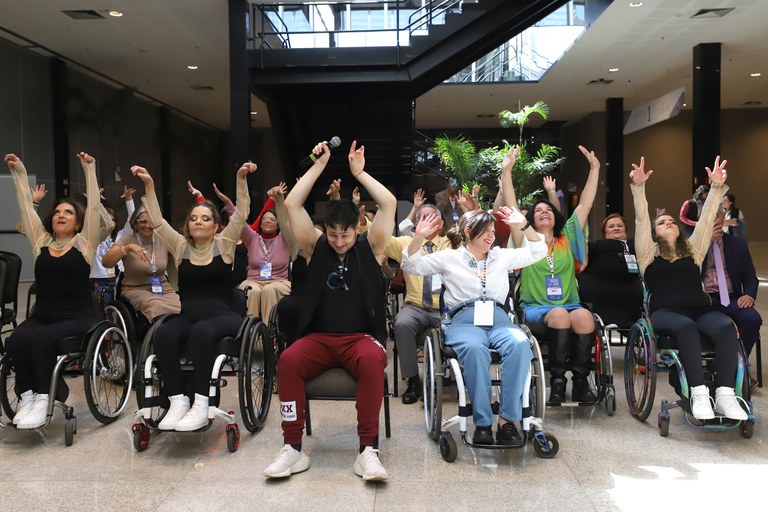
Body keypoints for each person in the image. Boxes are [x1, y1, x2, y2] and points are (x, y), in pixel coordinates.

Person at [264, 140, 396, 482]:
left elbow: (389, 202)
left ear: (357, 229)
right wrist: (319, 165)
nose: (339, 241)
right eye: (334, 234)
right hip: (320, 338)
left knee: (371, 361)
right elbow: (292, 202)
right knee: (288, 360)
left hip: (360, 338)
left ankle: (367, 449)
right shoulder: (314, 245)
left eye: (346, 235)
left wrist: (360, 173)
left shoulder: (373, 245)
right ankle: (292, 447)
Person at [402, 190, 547, 447]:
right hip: (464, 320)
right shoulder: (450, 258)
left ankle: (507, 421)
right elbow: (411, 266)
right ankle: (481, 423)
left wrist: (524, 226)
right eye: (486, 231)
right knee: (474, 348)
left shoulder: (501, 257)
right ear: (468, 232)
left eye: (493, 230)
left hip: (499, 317)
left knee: (519, 343)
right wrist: (419, 237)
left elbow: (538, 251)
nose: (492, 236)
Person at [130, 161, 257, 431]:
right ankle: (177, 401)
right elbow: (156, 221)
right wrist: (150, 185)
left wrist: (240, 178)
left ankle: (201, 402)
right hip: (189, 315)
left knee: (201, 331)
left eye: (206, 218)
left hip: (224, 316)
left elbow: (242, 213)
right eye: (194, 218)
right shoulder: (180, 246)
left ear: (215, 227)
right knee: (163, 332)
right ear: (188, 225)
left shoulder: (224, 245)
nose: (198, 221)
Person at [630, 156, 747, 421]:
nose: (668, 223)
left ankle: (726, 395)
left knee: (726, 326)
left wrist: (716, 189)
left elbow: (706, 220)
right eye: (662, 222)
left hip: (699, 310)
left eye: (671, 220)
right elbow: (640, 220)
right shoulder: (648, 253)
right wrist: (638, 189)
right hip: (666, 313)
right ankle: (698, 392)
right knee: (687, 327)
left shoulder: (693, 250)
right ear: (655, 232)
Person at [5, 152, 113, 429]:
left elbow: (91, 212)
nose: (61, 215)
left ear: (77, 223)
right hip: (43, 314)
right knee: (15, 340)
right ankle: (27, 396)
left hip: (77, 316)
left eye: (68, 212)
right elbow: (26, 209)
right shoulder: (40, 243)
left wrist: (89, 169)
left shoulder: (84, 244)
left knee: (40, 339)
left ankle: (45, 397)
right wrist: (19, 171)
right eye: (57, 212)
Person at [510, 146, 601, 404]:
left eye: (548, 209)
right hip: (536, 308)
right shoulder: (525, 239)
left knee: (584, 316)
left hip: (569, 304)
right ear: (531, 219)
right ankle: (558, 382)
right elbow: (512, 205)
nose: (544, 212)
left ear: (555, 215)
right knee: (560, 315)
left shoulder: (567, 237)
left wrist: (594, 169)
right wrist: (507, 173)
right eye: (538, 211)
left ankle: (581, 381)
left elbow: (585, 203)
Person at [385, 203, 454, 404]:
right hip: (415, 306)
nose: (425, 221)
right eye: (421, 218)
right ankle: (413, 380)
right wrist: (364, 222)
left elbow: (473, 236)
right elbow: (380, 238)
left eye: (430, 217)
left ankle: (452, 377)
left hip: (445, 308)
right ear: (416, 225)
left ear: (440, 224)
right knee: (402, 323)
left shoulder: (451, 243)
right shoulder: (407, 242)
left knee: (462, 325)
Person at [215, 181, 293, 321]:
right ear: (260, 223)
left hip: (279, 281)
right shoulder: (252, 238)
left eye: (272, 219)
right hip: (254, 280)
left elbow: (287, 221)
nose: (268, 221)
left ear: (278, 224)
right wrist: (228, 203)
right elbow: (240, 222)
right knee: (252, 290)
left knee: (269, 290)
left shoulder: (284, 239)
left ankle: (269, 334)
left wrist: (279, 200)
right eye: (265, 219)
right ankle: (253, 333)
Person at [101, 203, 181, 323]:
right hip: (136, 289)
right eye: (143, 222)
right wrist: (127, 248)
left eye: (151, 222)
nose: (148, 226)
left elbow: (184, 249)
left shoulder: (162, 240)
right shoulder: (126, 240)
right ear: (135, 224)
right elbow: (106, 262)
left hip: (163, 288)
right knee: (156, 307)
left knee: (182, 307)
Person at [701, 209, 762, 358]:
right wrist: (706, 242)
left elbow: (750, 277)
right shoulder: (690, 245)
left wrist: (749, 295)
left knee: (752, 319)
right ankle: (718, 363)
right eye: (709, 216)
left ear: (723, 219)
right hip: (702, 300)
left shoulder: (738, 244)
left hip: (730, 298)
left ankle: (737, 364)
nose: (714, 220)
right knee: (718, 326)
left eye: (717, 216)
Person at [577, 213, 643, 329]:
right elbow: (581, 257)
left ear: (626, 230)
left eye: (619, 226)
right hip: (599, 286)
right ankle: (603, 321)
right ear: (604, 232)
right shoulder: (598, 245)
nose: (616, 228)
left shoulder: (635, 244)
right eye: (611, 226)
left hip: (629, 287)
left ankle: (626, 323)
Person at [90, 186, 136, 303]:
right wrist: (96, 201)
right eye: (106, 220)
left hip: (116, 279)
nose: (109, 223)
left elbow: (132, 218)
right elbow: (89, 219)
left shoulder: (120, 235)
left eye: (112, 220)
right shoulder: (93, 236)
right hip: (97, 279)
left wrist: (129, 199)